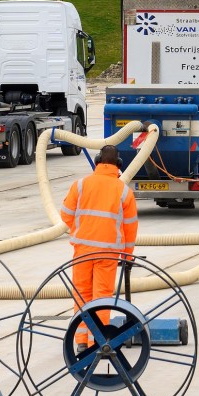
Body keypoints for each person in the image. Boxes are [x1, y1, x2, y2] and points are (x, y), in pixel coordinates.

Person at [60, 144, 138, 353]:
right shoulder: (123, 190)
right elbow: (130, 228)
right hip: (108, 252)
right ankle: (100, 342)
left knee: (81, 294)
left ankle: (81, 341)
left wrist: (80, 229)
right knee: (101, 296)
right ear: (118, 165)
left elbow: (66, 213)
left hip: (83, 250)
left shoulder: (80, 185)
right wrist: (127, 256)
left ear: (97, 162)